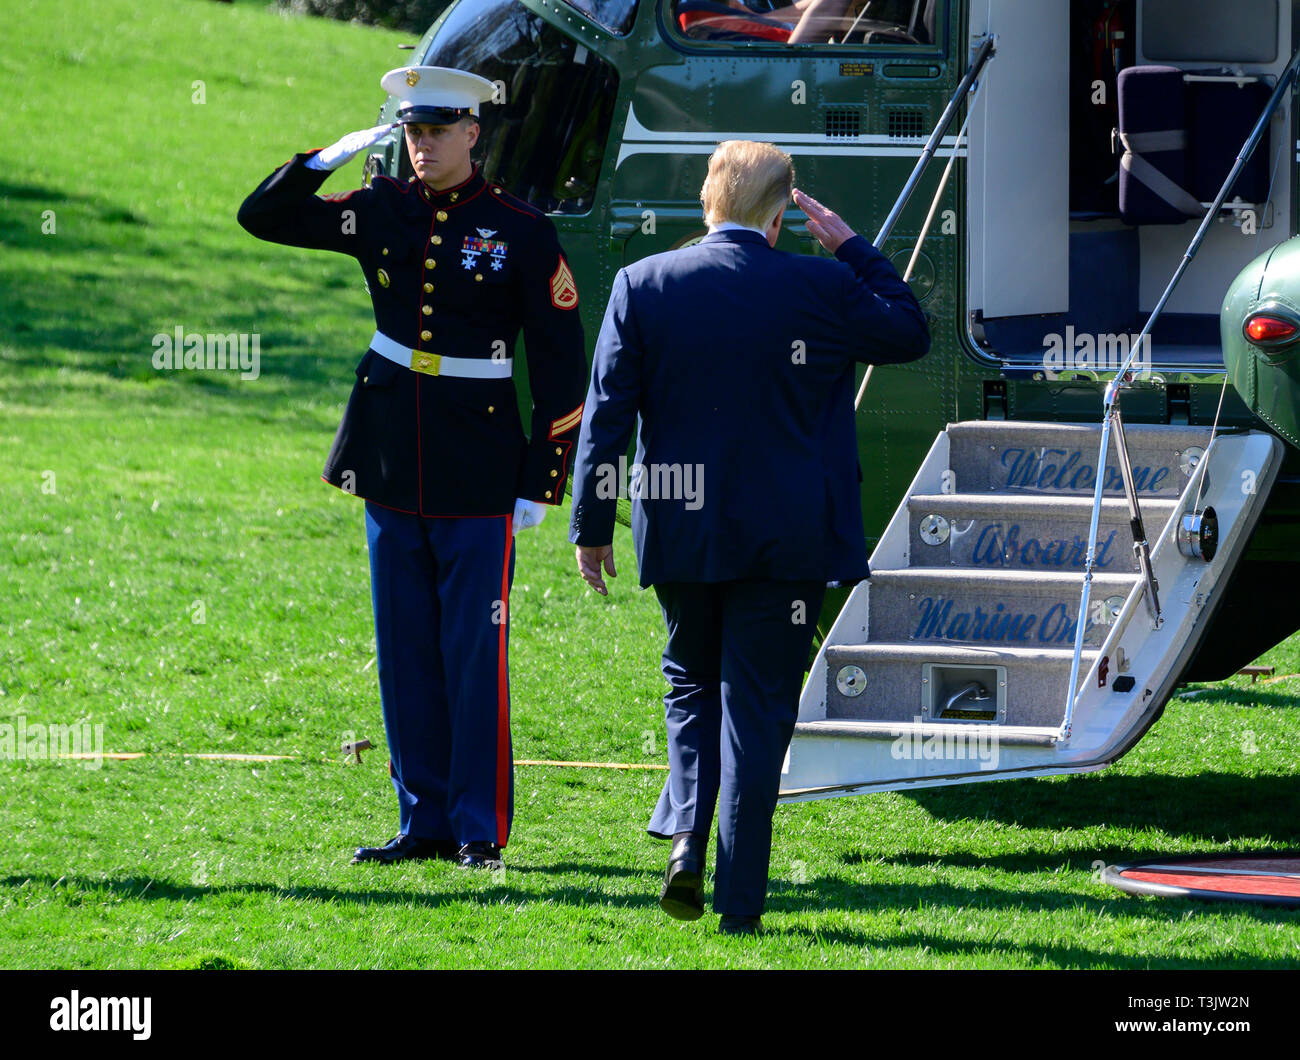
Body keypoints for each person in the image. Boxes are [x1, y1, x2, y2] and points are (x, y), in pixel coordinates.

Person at [568, 140, 929, 933]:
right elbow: (910, 332)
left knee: (690, 685)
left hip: (681, 531)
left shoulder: (643, 283)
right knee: (758, 708)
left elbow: (606, 420)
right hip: (786, 537)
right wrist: (851, 245)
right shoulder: (822, 283)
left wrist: (592, 527)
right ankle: (739, 903)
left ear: (707, 203)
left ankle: (686, 845)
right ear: (781, 216)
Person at [237, 66, 587, 870]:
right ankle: (421, 820)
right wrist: (324, 158)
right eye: (412, 132)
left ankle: (476, 828)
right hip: (390, 453)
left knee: (472, 652)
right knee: (403, 651)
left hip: (478, 459)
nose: (422, 146)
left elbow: (563, 366)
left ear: (473, 133)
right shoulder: (380, 207)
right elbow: (263, 216)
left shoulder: (522, 229)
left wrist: (544, 478)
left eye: (437, 131)